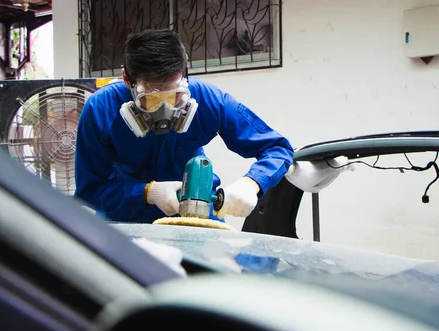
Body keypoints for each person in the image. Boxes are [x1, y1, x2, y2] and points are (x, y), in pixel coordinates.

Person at [74, 28, 294, 223]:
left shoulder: (210, 100)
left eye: (174, 96)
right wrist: (147, 193)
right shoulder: (100, 109)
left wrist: (252, 183)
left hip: (196, 219)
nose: (164, 109)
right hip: (126, 223)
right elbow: (90, 190)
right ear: (126, 79)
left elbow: (277, 148)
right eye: (150, 99)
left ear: (185, 74)